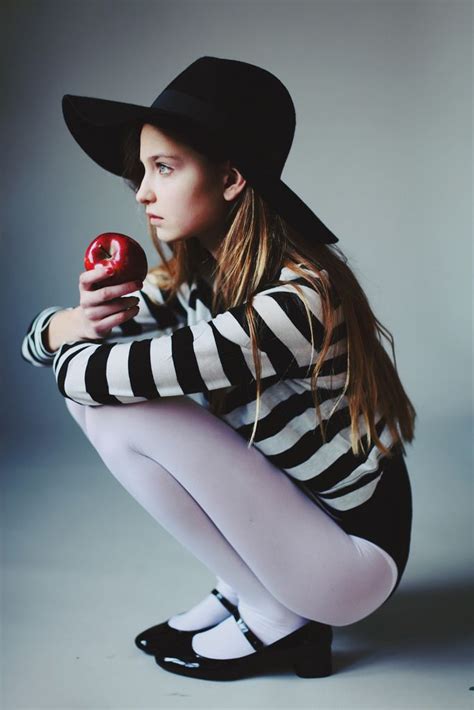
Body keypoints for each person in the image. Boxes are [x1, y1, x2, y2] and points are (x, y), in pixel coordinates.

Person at [21, 56, 415, 682]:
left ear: (231, 179)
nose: (143, 191)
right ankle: (242, 587)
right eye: (143, 171)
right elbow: (51, 349)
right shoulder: (197, 278)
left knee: (115, 408)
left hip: (351, 562)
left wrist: (76, 344)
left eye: (165, 169)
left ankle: (278, 615)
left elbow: (85, 379)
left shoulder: (296, 301)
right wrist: (75, 321)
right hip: (295, 523)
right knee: (107, 399)